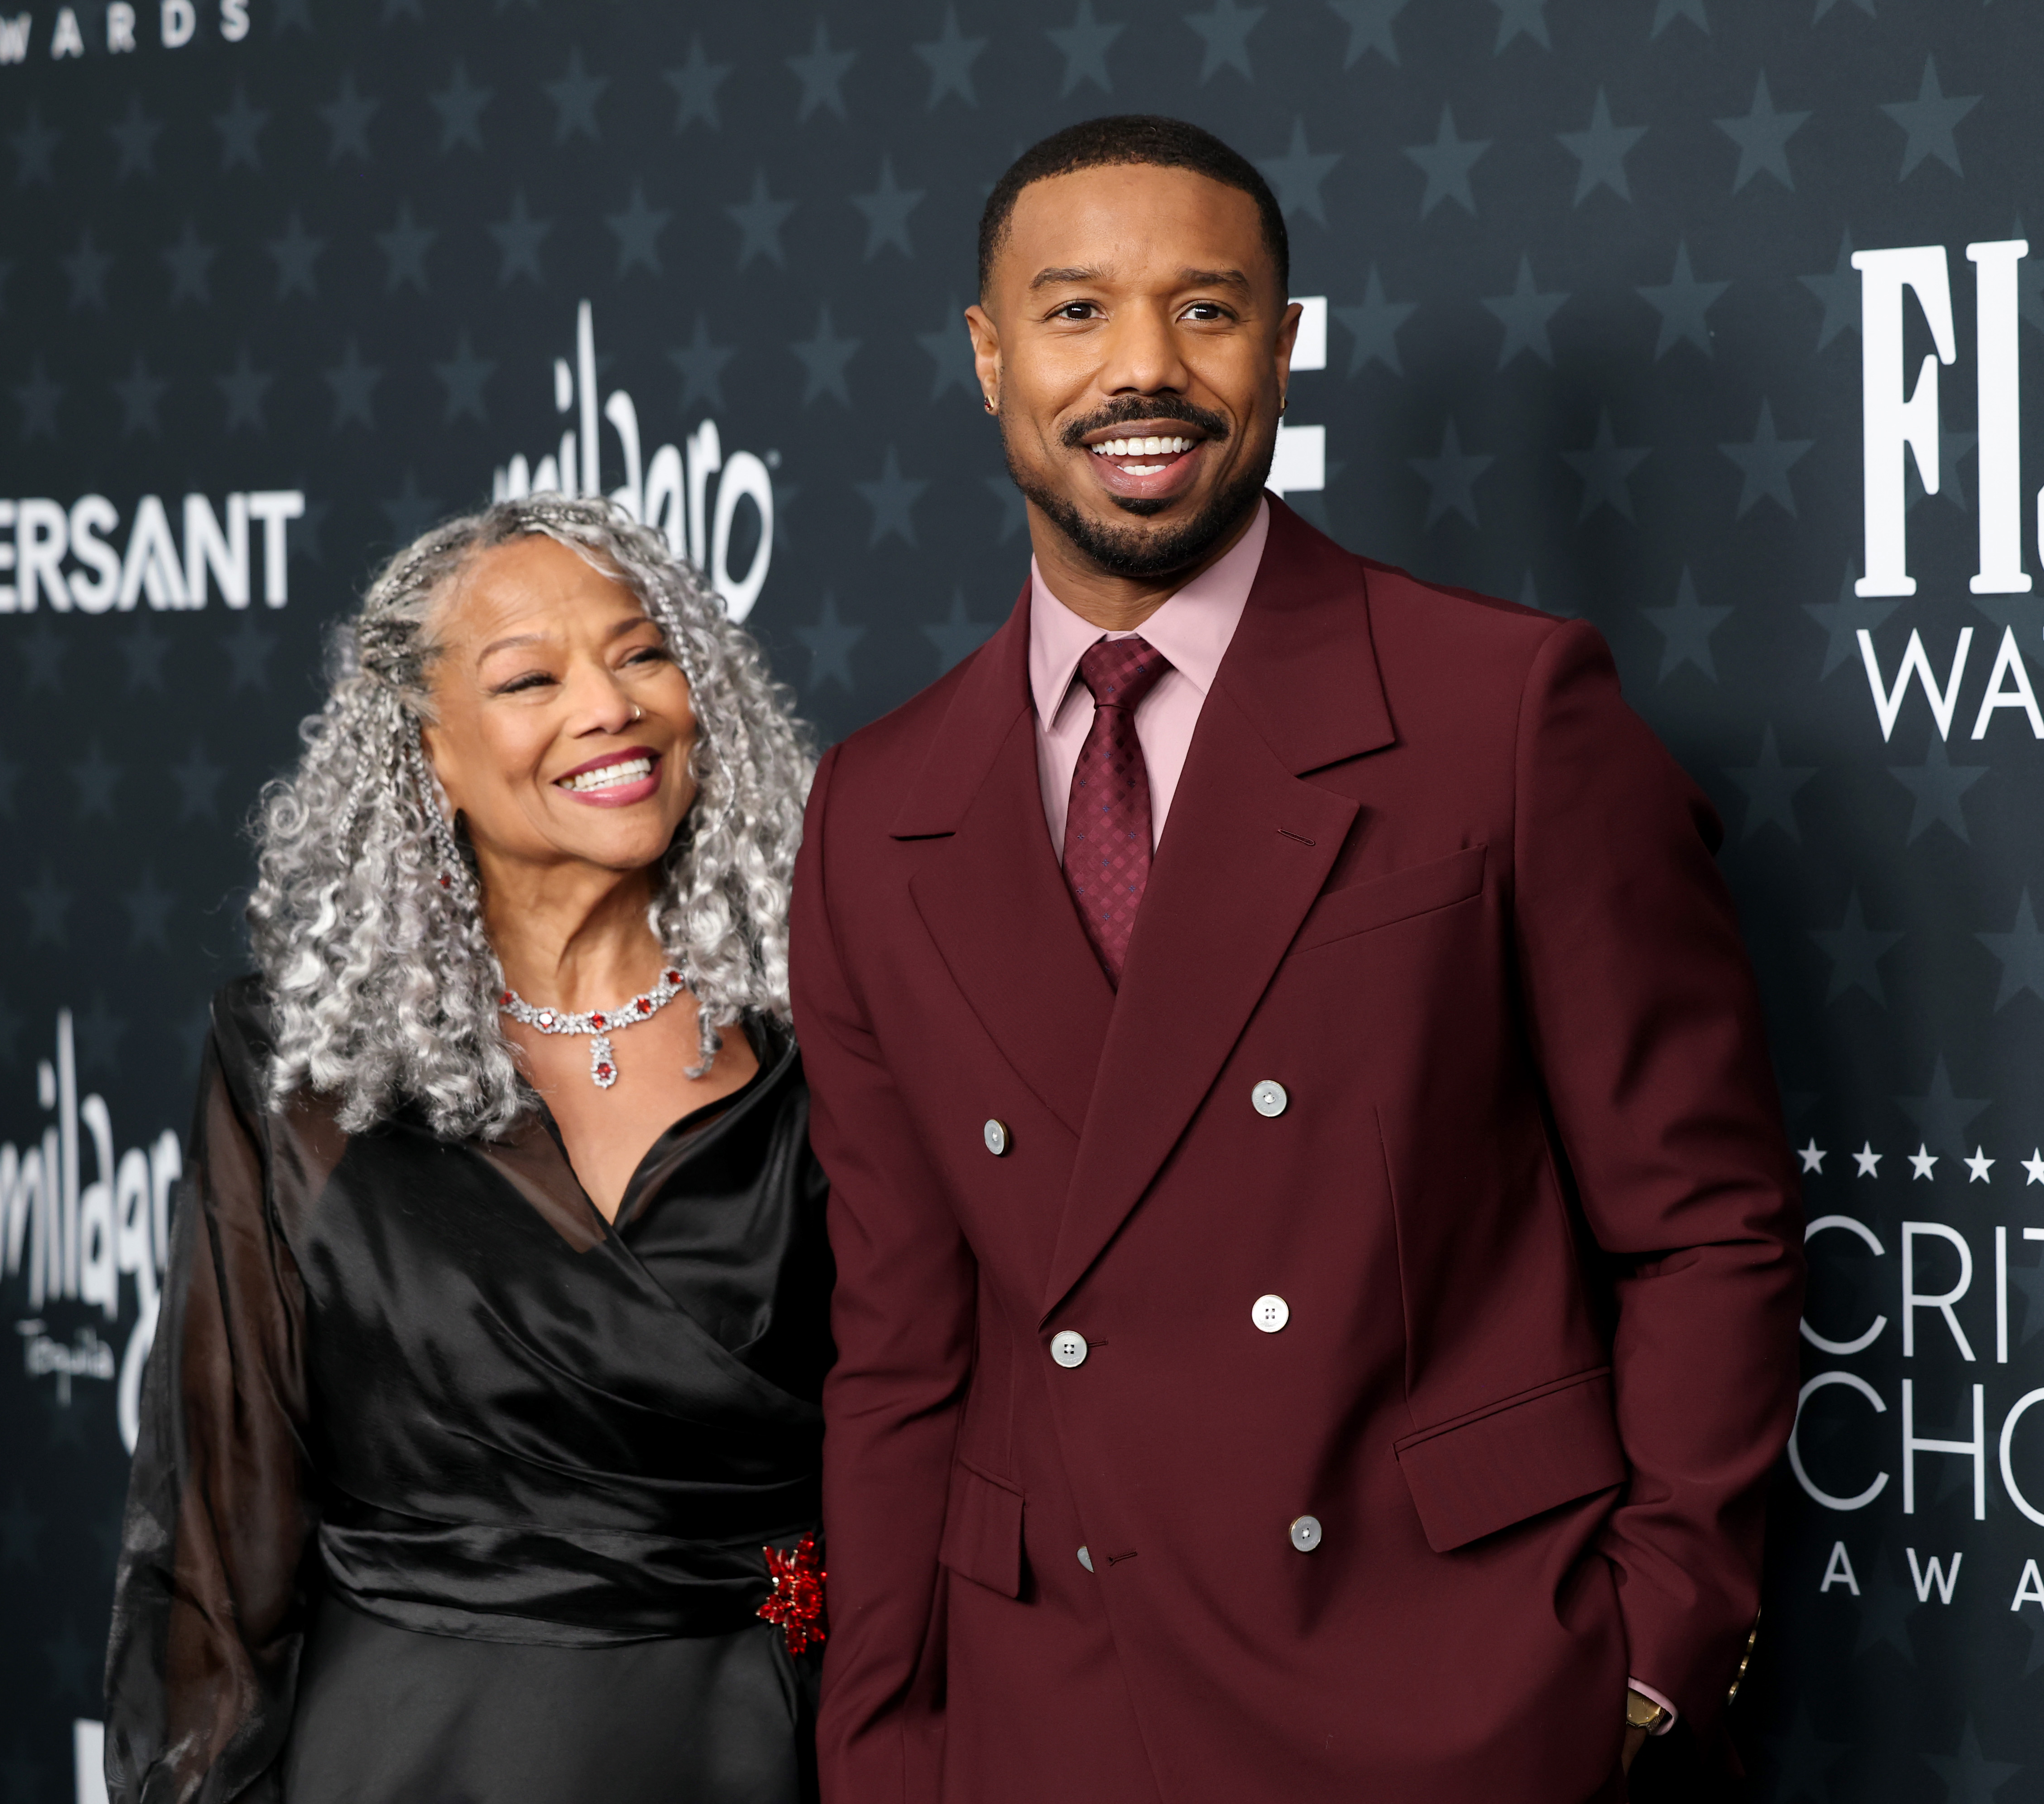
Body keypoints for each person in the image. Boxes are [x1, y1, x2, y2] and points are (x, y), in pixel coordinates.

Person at [791, 115, 1804, 1802]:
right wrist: (884, 1744)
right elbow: (901, 1346)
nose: (1143, 371)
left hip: (1449, 1689)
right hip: (1052, 1714)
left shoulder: (1503, 710)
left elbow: (1705, 1220)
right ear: (985, 359)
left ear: (1284, 343)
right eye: (1073, 314)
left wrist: (1650, 1651)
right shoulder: (875, 807)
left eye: (1206, 311)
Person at [104, 496, 832, 1804]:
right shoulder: (300, 1075)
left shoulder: (832, 1040)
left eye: (644, 653)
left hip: (750, 1749)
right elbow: (223, 1531)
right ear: (426, 753)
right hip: (416, 1754)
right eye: (530, 679)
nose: (610, 705)